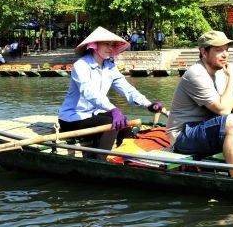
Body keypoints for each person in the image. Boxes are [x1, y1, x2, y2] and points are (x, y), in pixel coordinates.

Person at [167, 30, 233, 178]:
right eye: (219, 50)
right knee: (232, 121)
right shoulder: (196, 74)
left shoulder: (219, 72)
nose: (225, 54)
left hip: (206, 127)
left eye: (226, 50)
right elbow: (224, 110)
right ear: (204, 52)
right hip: (183, 136)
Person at [58, 27, 163, 159]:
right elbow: (89, 92)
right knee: (112, 124)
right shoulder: (81, 65)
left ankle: (125, 157)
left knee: (124, 123)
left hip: (94, 114)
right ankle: (100, 162)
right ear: (94, 45)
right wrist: (113, 109)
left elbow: (127, 88)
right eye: (106, 44)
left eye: (112, 45)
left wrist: (148, 104)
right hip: (72, 118)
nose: (110, 48)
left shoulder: (110, 66)